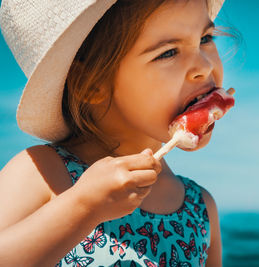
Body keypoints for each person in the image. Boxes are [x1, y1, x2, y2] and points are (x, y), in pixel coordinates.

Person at [0, 0, 231, 266]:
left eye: (205, 38)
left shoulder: (200, 207)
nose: (203, 65)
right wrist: (82, 207)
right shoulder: (42, 173)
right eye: (168, 52)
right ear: (91, 84)